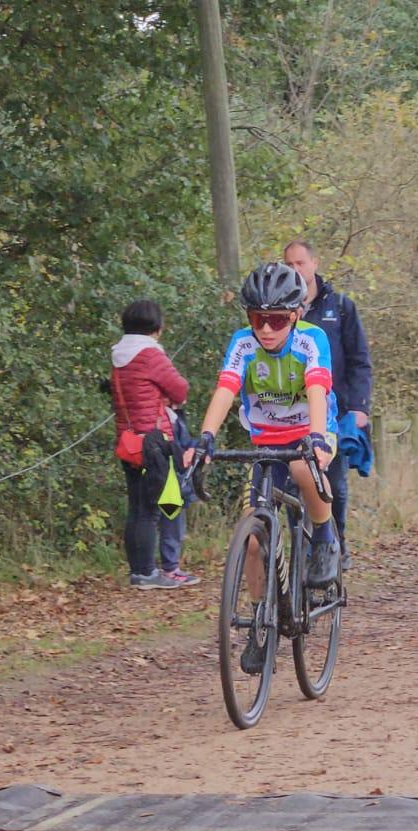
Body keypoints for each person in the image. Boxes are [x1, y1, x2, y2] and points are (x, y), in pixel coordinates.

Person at [190, 262, 341, 589]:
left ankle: (325, 540)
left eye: (277, 320)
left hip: (310, 428)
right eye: (259, 319)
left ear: (296, 315)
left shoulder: (312, 340)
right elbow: (226, 389)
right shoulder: (243, 343)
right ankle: (259, 624)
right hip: (267, 440)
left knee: (304, 469)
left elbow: (317, 388)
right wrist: (205, 437)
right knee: (253, 542)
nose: (267, 330)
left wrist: (317, 438)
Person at [284, 240, 372, 571]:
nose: (295, 270)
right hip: (291, 411)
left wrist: (360, 407)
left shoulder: (341, 307)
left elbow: (360, 359)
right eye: (289, 264)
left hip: (336, 412)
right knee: (293, 484)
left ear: (314, 263)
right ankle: (299, 555)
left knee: (332, 484)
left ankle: (337, 543)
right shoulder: (277, 311)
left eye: (300, 263)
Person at [111, 300, 189, 589]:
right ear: (156, 328)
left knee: (136, 508)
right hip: (154, 442)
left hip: (128, 440)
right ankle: (147, 573)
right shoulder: (150, 354)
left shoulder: (119, 354)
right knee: (152, 509)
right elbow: (180, 389)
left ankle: (138, 570)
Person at [155, 409, 201, 586]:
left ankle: (169, 567)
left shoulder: (176, 417)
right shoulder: (165, 418)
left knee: (174, 525)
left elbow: (188, 442)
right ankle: (170, 569)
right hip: (170, 482)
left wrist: (192, 448)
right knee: (171, 523)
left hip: (176, 481)